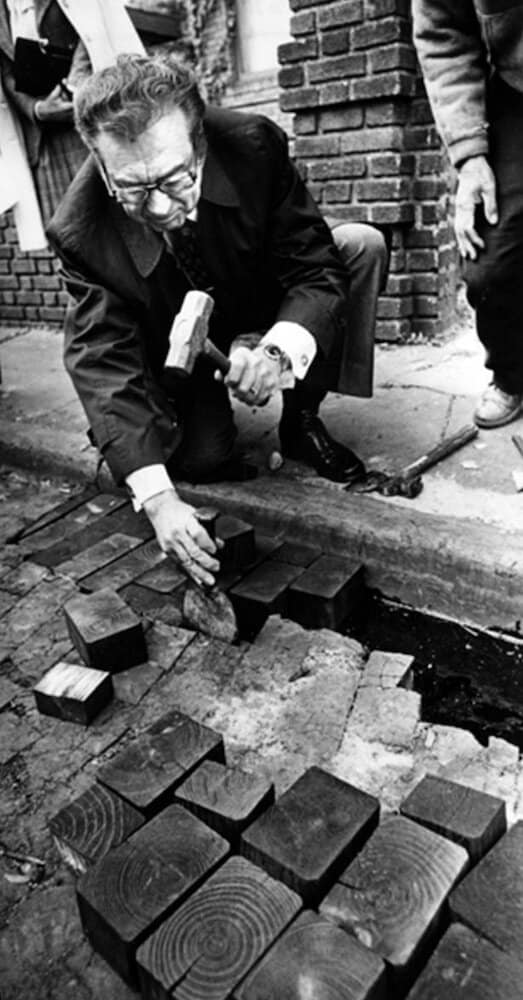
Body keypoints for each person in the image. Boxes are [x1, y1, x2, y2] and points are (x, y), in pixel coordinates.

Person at [48, 53, 387, 588]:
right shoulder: (78, 231)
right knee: (203, 458)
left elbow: (314, 267)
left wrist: (275, 353)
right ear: (102, 165)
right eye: (134, 190)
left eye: (174, 180)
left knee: (358, 246)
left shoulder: (253, 145)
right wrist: (157, 499)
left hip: (256, 295)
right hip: (173, 338)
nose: (159, 208)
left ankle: (301, 421)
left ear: (199, 142)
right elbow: (101, 358)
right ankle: (193, 421)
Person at [413, 0, 523, 429]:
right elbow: (444, 36)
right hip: (516, 91)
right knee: (490, 266)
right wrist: (470, 157)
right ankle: (513, 375)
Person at [0, 0, 143, 241]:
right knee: (68, 240)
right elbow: (6, 70)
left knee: (120, 232)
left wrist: (75, 88)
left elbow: (91, 35)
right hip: (42, 144)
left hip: (90, 130)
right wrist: (36, 109)